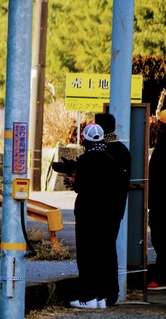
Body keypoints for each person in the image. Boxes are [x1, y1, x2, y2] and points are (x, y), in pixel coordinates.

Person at [68, 123, 123, 309]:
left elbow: (79, 187)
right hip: (108, 215)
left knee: (87, 255)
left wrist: (72, 175)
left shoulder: (85, 160)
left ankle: (88, 297)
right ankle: (104, 297)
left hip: (87, 215)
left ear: (85, 140)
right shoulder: (111, 159)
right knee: (105, 253)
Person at [95, 113, 131, 304]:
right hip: (117, 207)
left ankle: (106, 292)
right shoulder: (123, 151)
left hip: (102, 209)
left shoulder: (105, 152)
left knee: (102, 250)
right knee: (108, 248)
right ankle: (111, 292)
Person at [147, 109, 166, 290]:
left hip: (161, 205)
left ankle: (161, 278)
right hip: (160, 204)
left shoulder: (162, 150)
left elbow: (155, 179)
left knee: (161, 241)